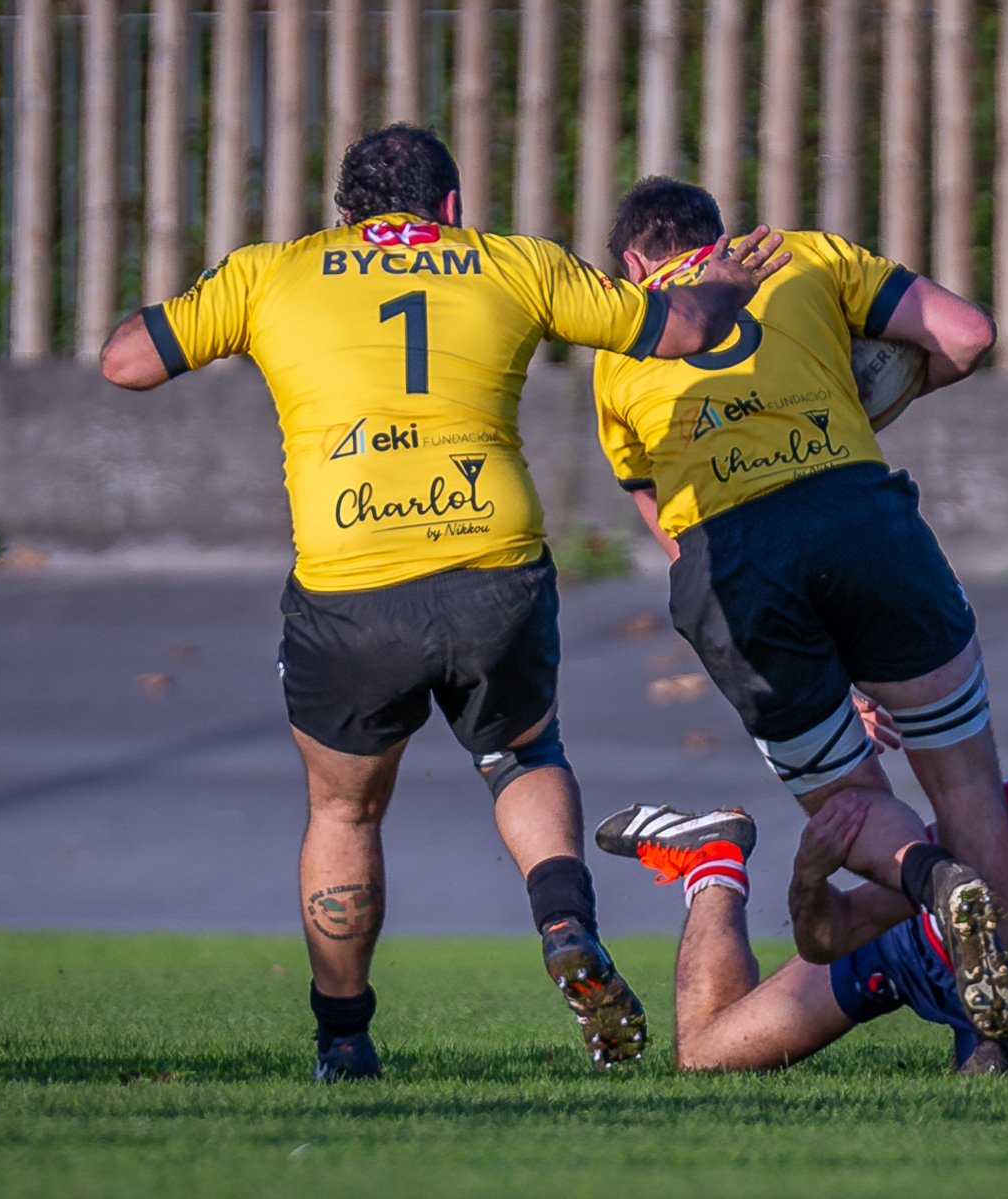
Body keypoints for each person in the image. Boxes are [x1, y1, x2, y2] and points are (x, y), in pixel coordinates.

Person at [99, 126, 787, 1081]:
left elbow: (126, 361)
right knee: (522, 752)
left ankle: (344, 1038)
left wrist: (213, 296)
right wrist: (730, 287)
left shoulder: (271, 274)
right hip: (493, 572)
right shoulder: (514, 262)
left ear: (343, 215)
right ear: (451, 208)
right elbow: (682, 330)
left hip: (349, 587)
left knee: (344, 811)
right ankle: (565, 928)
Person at [588, 177, 1008, 1038]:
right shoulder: (807, 255)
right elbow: (967, 337)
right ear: (720, 233)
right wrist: (862, 403)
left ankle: (934, 878)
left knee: (847, 802)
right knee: (967, 777)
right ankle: (1000, 1035)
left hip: (734, 561)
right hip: (861, 514)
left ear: (636, 262)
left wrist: (829, 670)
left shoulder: (621, 344)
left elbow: (669, 529)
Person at [600, 715, 1008, 1074]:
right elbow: (833, 936)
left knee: (997, 1077)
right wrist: (809, 880)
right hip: (900, 950)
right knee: (704, 1061)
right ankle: (715, 862)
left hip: (1005, 990)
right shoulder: (1001, 824)